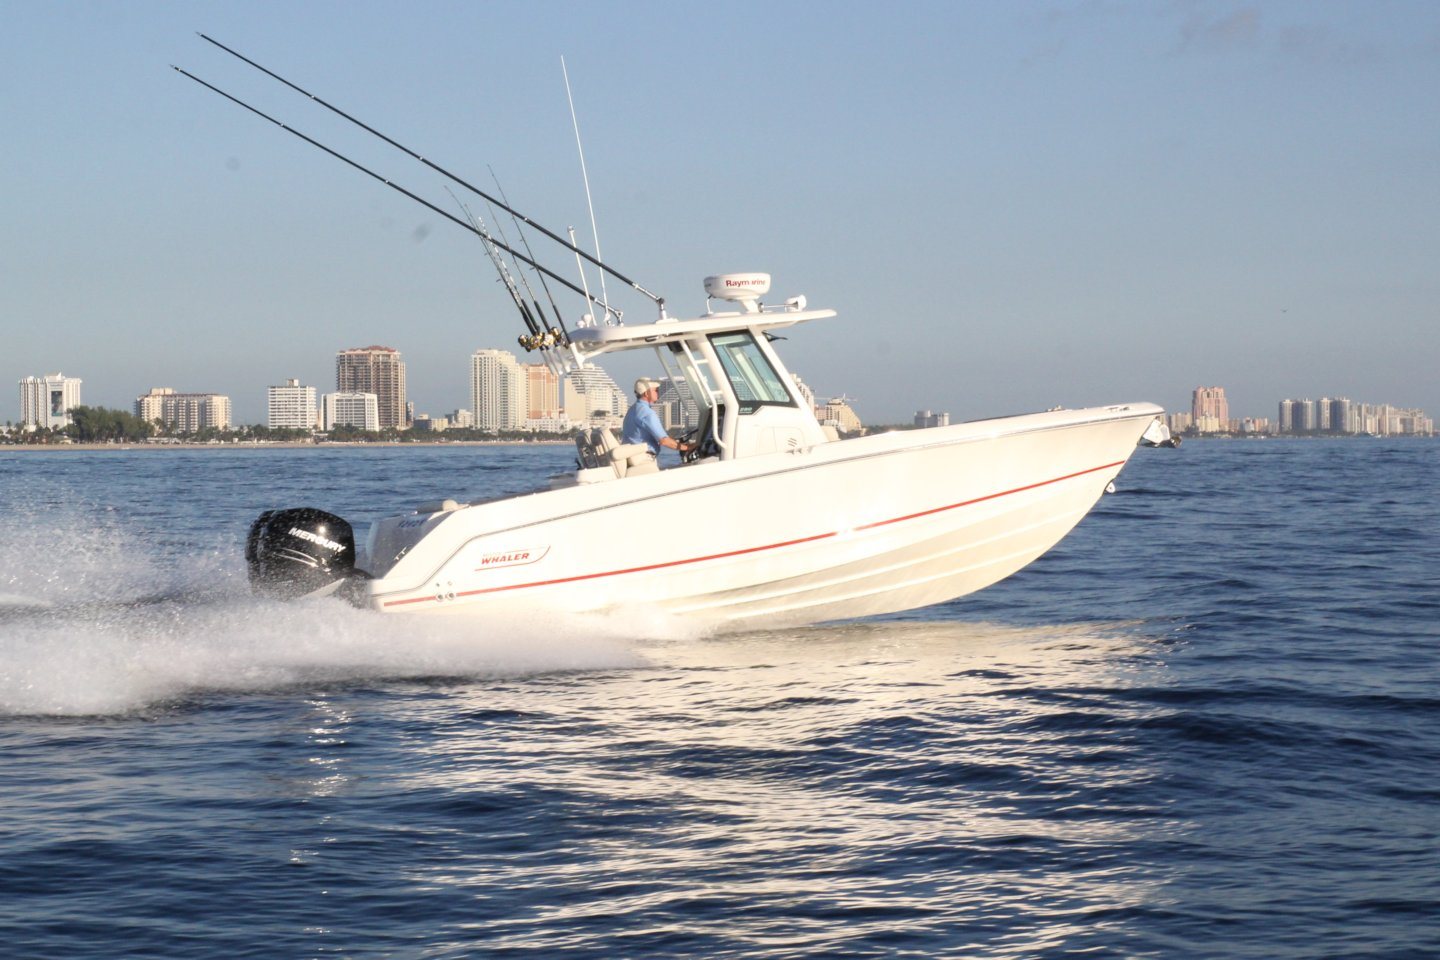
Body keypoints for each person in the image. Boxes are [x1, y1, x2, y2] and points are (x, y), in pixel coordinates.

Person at [622, 378, 691, 458]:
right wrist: (688, 447)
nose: (658, 393)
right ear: (647, 393)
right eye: (656, 390)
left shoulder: (633, 409)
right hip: (644, 457)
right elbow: (664, 441)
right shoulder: (647, 413)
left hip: (633, 456)